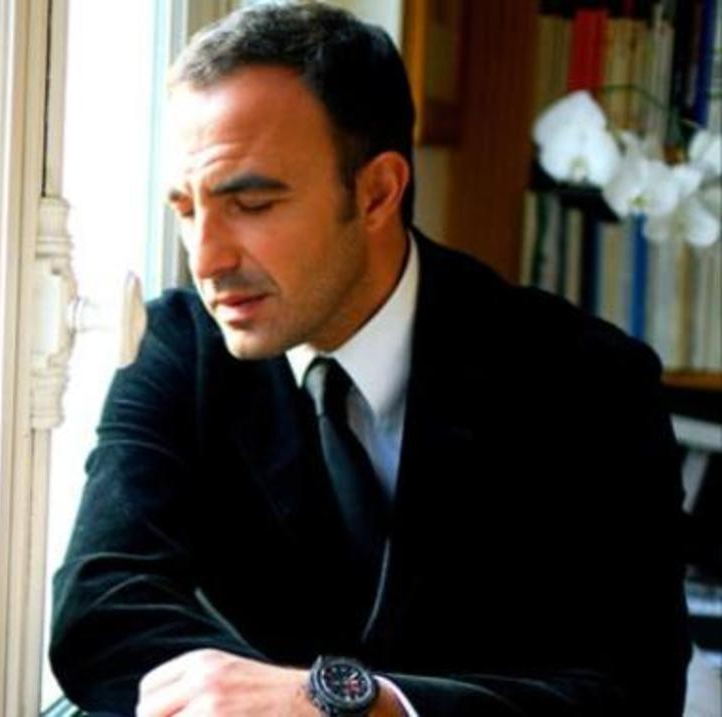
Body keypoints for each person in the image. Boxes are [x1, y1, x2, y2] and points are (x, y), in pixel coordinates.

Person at [48, 2, 691, 715]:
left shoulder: (590, 380)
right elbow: (101, 611)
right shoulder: (177, 347)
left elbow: (636, 690)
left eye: (252, 204)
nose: (207, 259)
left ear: (378, 191)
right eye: (187, 210)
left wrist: (357, 705)